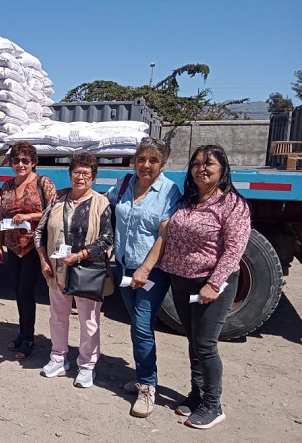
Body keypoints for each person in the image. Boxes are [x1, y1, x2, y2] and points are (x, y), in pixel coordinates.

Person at [160, 144, 251, 429]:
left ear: (222, 169)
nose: (202, 169)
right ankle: (197, 394)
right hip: (182, 281)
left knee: (205, 344)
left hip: (212, 284)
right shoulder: (188, 201)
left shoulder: (233, 205)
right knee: (192, 339)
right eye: (197, 163)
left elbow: (235, 249)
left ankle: (214, 404)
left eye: (209, 164)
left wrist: (214, 283)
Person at [106, 138, 182, 418]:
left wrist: (145, 269)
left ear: (162, 164)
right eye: (141, 159)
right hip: (124, 267)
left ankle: (148, 387)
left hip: (152, 272)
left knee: (141, 325)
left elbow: (164, 233)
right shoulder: (125, 183)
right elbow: (106, 205)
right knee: (137, 326)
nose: (146, 165)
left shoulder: (169, 190)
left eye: (153, 160)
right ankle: (142, 375)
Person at [35, 153, 113, 388]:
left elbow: (108, 238)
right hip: (57, 271)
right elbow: (40, 233)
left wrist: (80, 255)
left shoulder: (102, 203)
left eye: (86, 173)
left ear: (94, 177)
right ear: (70, 175)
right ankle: (58, 357)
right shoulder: (58, 200)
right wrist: (43, 260)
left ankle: (87, 365)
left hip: (86, 271)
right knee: (57, 316)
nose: (80, 177)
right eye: (76, 172)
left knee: (89, 320)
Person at [0, 141, 57, 360]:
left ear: (33, 163)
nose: (20, 164)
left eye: (25, 160)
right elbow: (2, 217)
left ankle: (29, 338)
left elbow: (54, 212)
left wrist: (29, 217)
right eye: (16, 160)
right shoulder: (7, 186)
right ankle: (23, 331)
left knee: (26, 291)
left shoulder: (43, 183)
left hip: (34, 245)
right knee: (17, 291)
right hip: (13, 246)